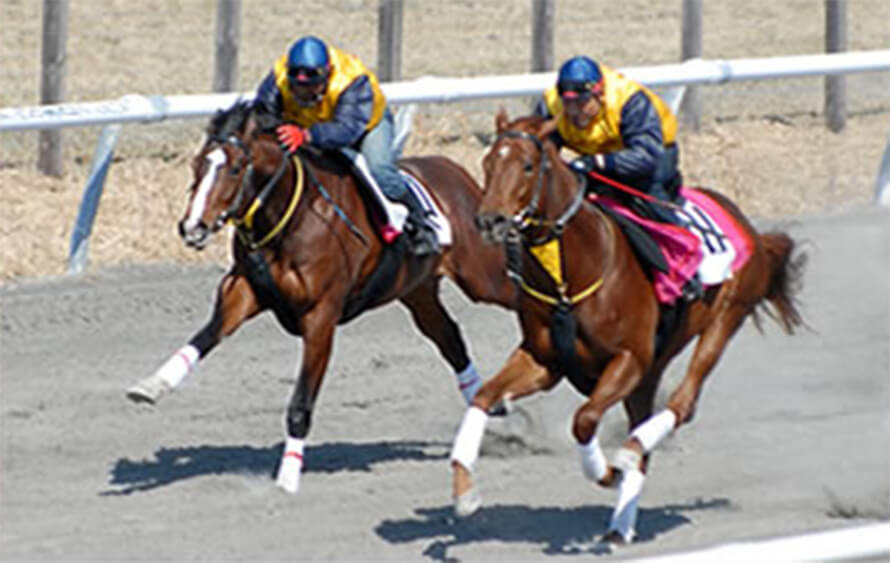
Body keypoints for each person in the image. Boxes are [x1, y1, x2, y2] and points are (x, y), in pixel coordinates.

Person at [253, 35, 439, 256]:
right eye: (297, 87)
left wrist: (306, 135)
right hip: (309, 125)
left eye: (311, 87)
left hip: (366, 124)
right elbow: (263, 115)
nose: (303, 94)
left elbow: (347, 129)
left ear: (327, 72)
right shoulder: (279, 77)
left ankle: (421, 223)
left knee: (380, 171)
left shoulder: (351, 79)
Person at [534, 55, 685, 229]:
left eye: (582, 102)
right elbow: (539, 152)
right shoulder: (551, 105)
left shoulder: (629, 100)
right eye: (568, 102)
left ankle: (680, 239)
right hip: (597, 157)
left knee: (652, 204)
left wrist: (600, 161)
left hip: (653, 157)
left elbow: (646, 155)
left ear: (599, 94)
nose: (574, 111)